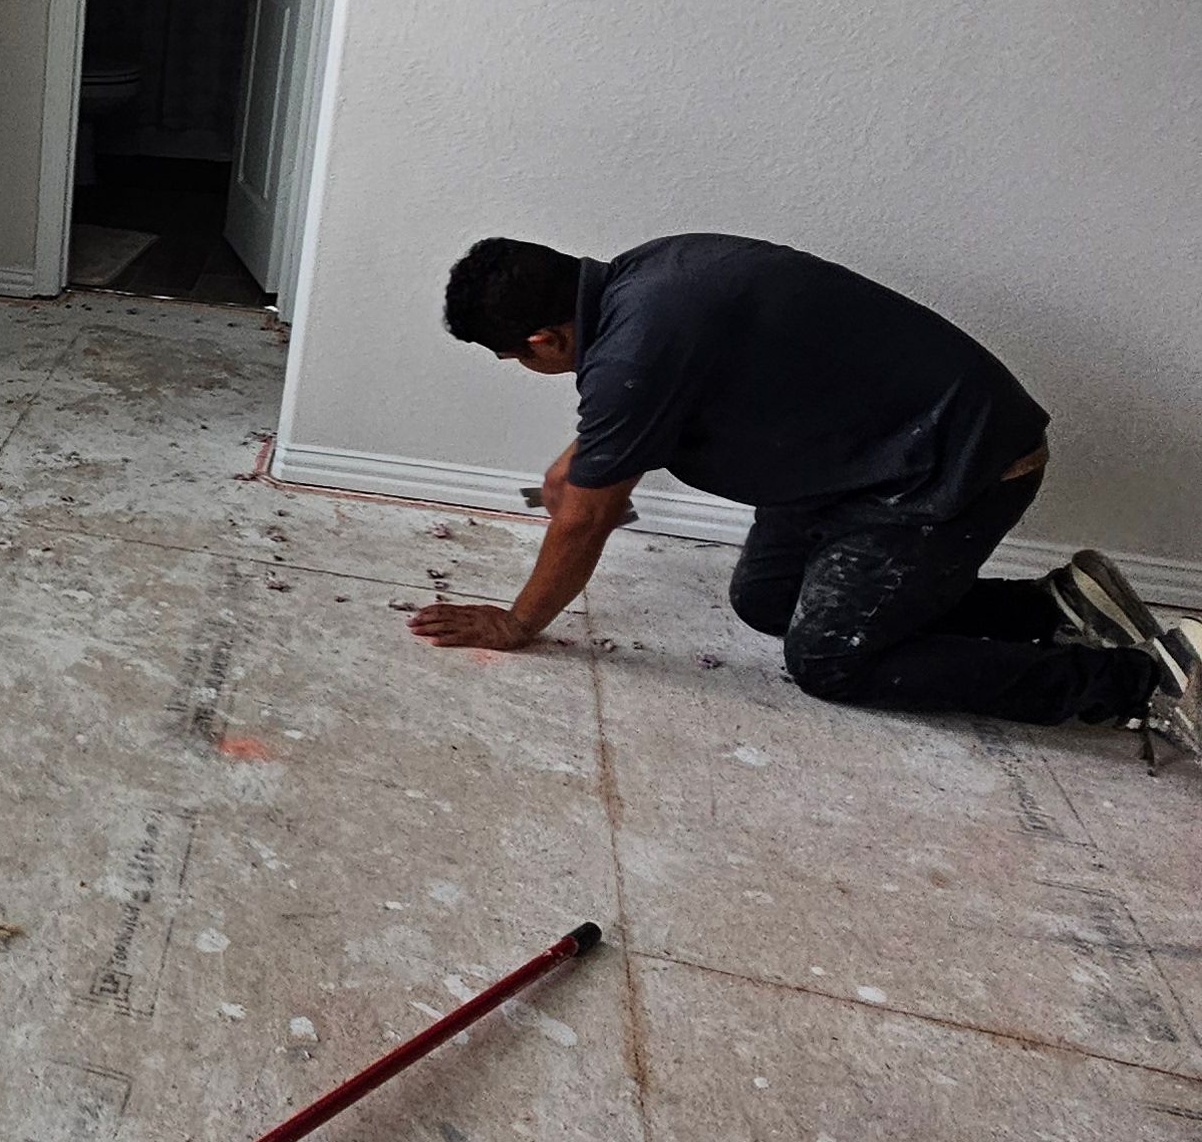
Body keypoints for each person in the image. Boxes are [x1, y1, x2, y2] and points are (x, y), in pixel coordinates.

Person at [407, 232, 1201, 756]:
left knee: (830, 661)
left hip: (952, 466)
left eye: (517, 357)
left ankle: (1144, 684)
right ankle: (1054, 609)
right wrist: (579, 464)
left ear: (546, 339)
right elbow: (638, 404)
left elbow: (587, 517)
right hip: (858, 457)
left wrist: (517, 622)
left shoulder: (634, 348)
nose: (528, 367)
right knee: (767, 600)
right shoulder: (649, 278)